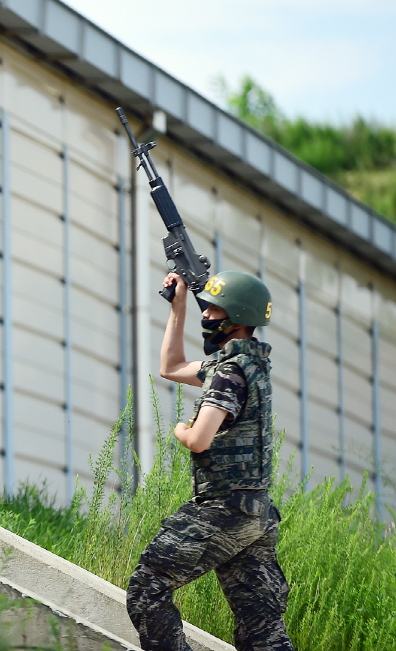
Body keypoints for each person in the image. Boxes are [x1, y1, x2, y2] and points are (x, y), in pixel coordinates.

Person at [126, 270, 293, 651]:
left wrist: (181, 431)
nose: (207, 317)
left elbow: (199, 440)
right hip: (257, 513)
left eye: (215, 310)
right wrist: (178, 306)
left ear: (236, 318)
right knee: (262, 628)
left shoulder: (228, 373)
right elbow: (170, 367)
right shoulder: (250, 366)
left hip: (224, 508)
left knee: (148, 585)